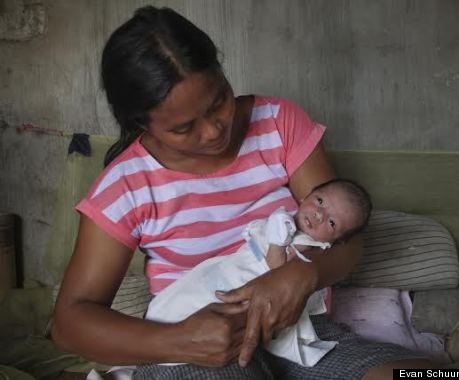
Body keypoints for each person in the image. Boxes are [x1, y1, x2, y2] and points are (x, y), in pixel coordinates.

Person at [51, 6, 438, 379]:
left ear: (221, 70)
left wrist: (305, 273)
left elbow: (349, 242)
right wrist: (180, 340)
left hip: (300, 333)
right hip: (193, 352)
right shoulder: (126, 185)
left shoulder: (279, 123)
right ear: (141, 123)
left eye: (218, 101)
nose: (214, 130)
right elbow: (70, 323)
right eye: (185, 128)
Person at [145, 179, 372, 367]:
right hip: (229, 270)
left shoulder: (310, 246)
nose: (319, 215)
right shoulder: (285, 219)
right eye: (320, 201)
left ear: (336, 242)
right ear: (306, 195)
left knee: (203, 317)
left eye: (332, 223)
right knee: (183, 298)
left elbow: (276, 274)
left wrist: (277, 243)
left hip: (256, 295)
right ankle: (150, 342)